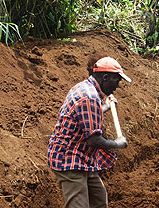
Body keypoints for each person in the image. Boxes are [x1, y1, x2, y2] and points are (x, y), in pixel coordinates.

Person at [48, 57, 130, 208]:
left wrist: (104, 107)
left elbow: (85, 116)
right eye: (116, 80)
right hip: (69, 159)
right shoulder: (90, 97)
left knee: (99, 200)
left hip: (83, 157)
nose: (117, 86)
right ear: (105, 78)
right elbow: (94, 140)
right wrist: (117, 144)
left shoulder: (85, 88)